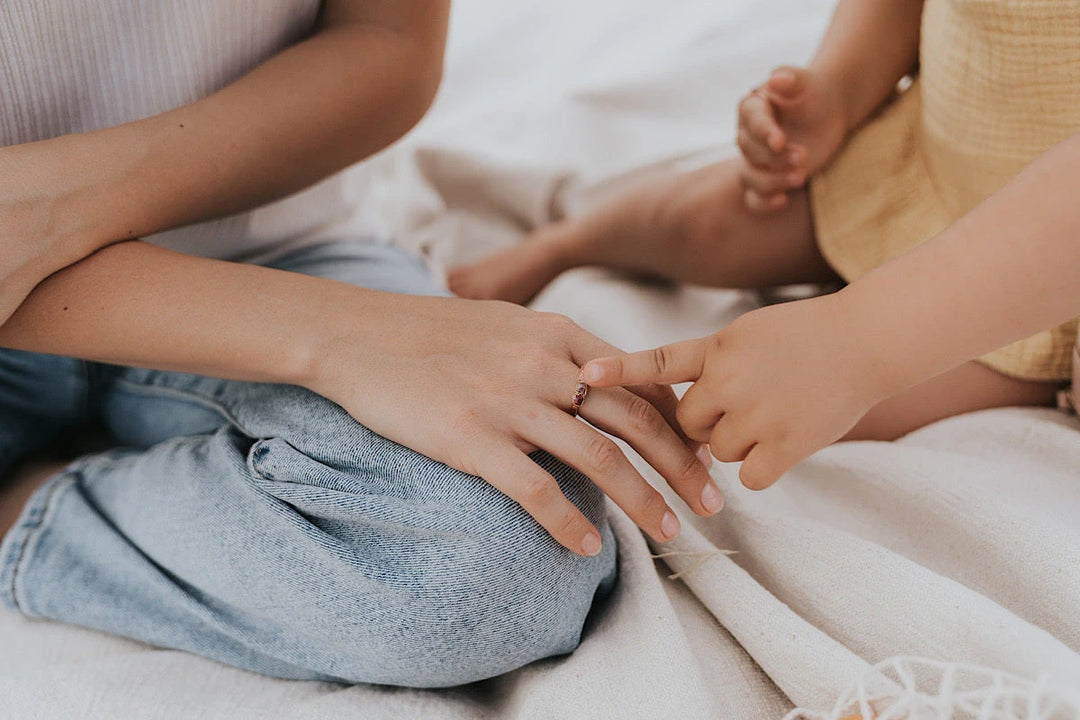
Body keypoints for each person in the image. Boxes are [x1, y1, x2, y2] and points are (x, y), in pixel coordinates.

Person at [0, 1, 722, 687]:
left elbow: (389, 38)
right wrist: (343, 336)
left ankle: (31, 504)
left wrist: (49, 208)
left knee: (515, 543)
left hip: (271, 249)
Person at [449, 0, 1080, 488]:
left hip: (1032, 289)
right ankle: (569, 240)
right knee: (704, 222)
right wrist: (839, 91)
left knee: (787, 415)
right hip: (920, 169)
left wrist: (856, 343)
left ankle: (611, 417)